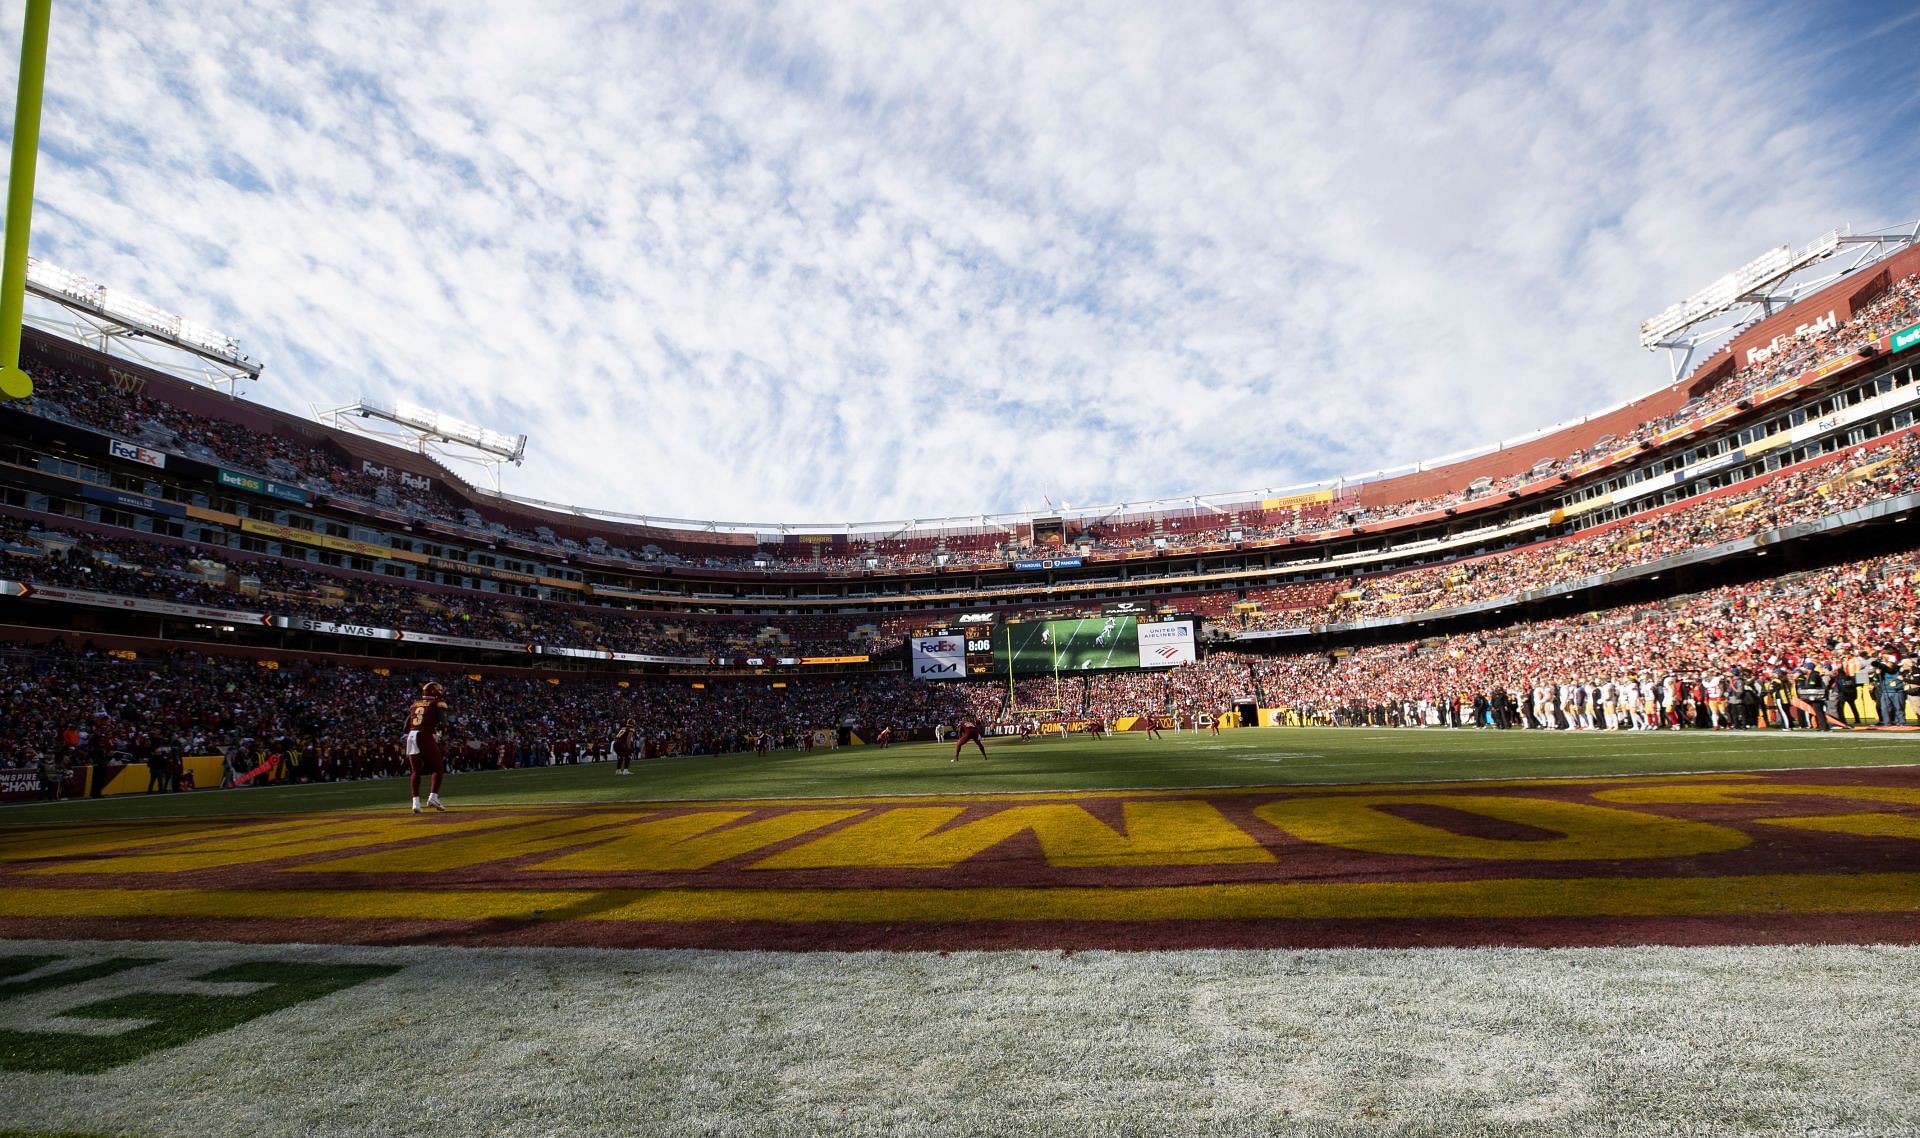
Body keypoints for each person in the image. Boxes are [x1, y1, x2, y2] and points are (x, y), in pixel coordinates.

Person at [404, 681, 450, 813]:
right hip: (424, 735)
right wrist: (439, 732)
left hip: (412, 736)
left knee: (415, 771)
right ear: (435, 691)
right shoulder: (438, 703)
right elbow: (444, 723)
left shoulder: (414, 704)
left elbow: (405, 726)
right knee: (438, 768)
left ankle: (415, 803)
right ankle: (433, 797)